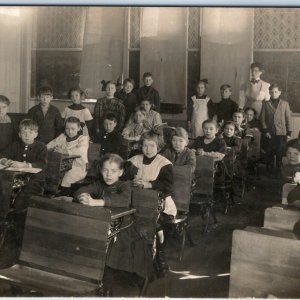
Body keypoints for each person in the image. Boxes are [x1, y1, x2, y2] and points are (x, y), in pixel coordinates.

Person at [129, 131, 176, 274]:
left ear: (158, 147)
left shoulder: (164, 163)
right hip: (136, 203)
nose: (148, 149)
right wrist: (131, 180)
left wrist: (149, 184)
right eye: (144, 146)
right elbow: (123, 175)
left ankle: (160, 255)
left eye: (151, 146)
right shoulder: (134, 160)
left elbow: (168, 186)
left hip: (160, 204)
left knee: (158, 224)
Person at [0, 119, 47, 245]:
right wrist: (5, 161)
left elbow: (42, 164)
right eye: (24, 132)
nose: (27, 135)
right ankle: (4, 224)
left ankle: (18, 236)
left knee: (20, 202)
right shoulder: (15, 145)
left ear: (36, 134)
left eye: (31, 132)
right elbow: (2, 154)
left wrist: (25, 164)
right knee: (4, 195)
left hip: (35, 182)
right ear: (19, 134)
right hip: (15, 182)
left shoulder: (41, 147)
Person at [47, 116, 89, 196]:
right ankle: (52, 196)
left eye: (73, 129)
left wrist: (63, 151)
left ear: (79, 128)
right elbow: (49, 145)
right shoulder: (62, 137)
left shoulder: (83, 139)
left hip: (78, 167)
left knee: (67, 178)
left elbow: (79, 151)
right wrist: (52, 148)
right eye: (67, 128)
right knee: (50, 174)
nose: (70, 131)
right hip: (62, 166)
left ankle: (64, 196)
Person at [260, 83, 292, 177]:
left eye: (275, 92)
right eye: (272, 92)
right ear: (269, 93)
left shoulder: (285, 104)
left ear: (279, 92)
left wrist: (289, 132)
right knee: (269, 152)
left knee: (279, 153)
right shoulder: (266, 103)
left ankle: (278, 171)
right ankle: (269, 171)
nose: (273, 93)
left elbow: (288, 119)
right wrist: (266, 131)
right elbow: (262, 119)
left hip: (281, 133)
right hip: (270, 134)